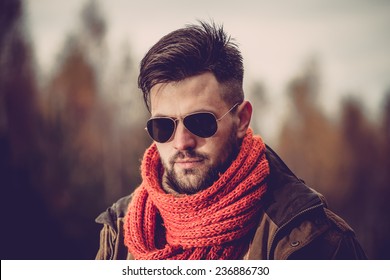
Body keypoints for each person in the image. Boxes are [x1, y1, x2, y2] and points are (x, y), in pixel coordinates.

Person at [95, 21, 366, 260]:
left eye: (200, 122)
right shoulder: (120, 231)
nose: (181, 142)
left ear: (242, 119)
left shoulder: (312, 240)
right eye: (163, 126)